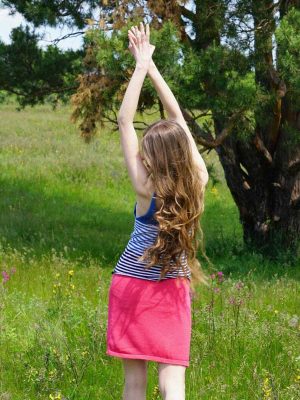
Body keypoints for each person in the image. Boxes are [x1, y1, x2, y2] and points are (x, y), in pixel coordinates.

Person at [106, 22, 209, 400]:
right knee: (173, 385)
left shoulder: (145, 188)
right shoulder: (197, 180)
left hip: (131, 285)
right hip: (172, 290)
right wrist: (152, 68)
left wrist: (140, 66)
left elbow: (123, 119)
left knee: (134, 385)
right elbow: (178, 118)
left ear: (153, 155)